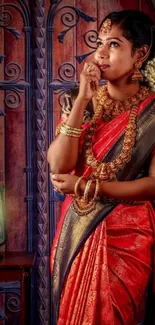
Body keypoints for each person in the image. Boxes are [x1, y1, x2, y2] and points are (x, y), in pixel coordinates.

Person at [47, 9, 155, 325]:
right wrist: (82, 100)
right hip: (77, 229)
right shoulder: (79, 101)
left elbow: (153, 185)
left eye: (115, 44)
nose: (101, 53)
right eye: (100, 43)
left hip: (128, 236)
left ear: (141, 54)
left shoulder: (153, 113)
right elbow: (58, 163)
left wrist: (85, 186)